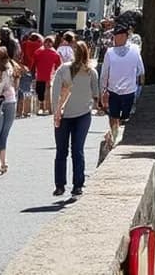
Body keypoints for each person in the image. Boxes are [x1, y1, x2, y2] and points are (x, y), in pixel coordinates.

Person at [52, 41, 97, 197]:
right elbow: (95, 93)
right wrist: (56, 111)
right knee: (68, 150)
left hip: (79, 114)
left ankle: (74, 185)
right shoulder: (67, 69)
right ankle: (64, 185)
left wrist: (56, 110)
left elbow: (55, 91)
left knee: (72, 150)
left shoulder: (90, 72)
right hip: (69, 114)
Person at [99, 24, 144, 145]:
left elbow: (104, 74)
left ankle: (116, 136)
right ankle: (116, 137)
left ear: (125, 36)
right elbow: (141, 71)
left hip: (119, 89)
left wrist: (103, 89)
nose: (115, 39)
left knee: (116, 115)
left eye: (117, 36)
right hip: (125, 89)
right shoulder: (134, 49)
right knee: (119, 115)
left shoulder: (111, 52)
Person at [32, 37, 62, 116]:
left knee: (45, 92)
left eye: (50, 42)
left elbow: (58, 64)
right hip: (42, 75)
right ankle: (44, 108)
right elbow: (59, 64)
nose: (48, 44)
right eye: (46, 42)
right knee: (42, 92)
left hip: (47, 75)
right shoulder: (40, 52)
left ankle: (46, 108)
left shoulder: (39, 52)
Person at [18, 32, 43, 117]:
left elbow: (21, 55)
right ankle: (33, 110)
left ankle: (22, 111)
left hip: (26, 68)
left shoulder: (25, 44)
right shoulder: (40, 46)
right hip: (37, 70)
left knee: (24, 90)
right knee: (35, 91)